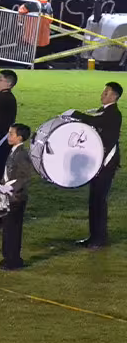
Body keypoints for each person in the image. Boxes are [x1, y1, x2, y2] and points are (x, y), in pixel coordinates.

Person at [67, 82, 122, 248]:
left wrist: (75, 114)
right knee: (94, 200)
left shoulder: (112, 113)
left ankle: (100, 238)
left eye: (106, 92)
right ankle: (94, 237)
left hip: (106, 163)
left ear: (114, 96)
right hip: (98, 161)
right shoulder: (104, 111)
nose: (102, 94)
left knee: (99, 200)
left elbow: (94, 121)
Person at [0, 123, 32, 269]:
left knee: (13, 230)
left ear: (19, 137)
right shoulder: (13, 151)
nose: (8, 136)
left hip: (16, 198)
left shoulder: (22, 154)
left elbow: (25, 176)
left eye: (11, 134)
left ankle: (14, 260)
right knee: (7, 228)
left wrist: (10, 187)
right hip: (8, 196)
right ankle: (7, 257)